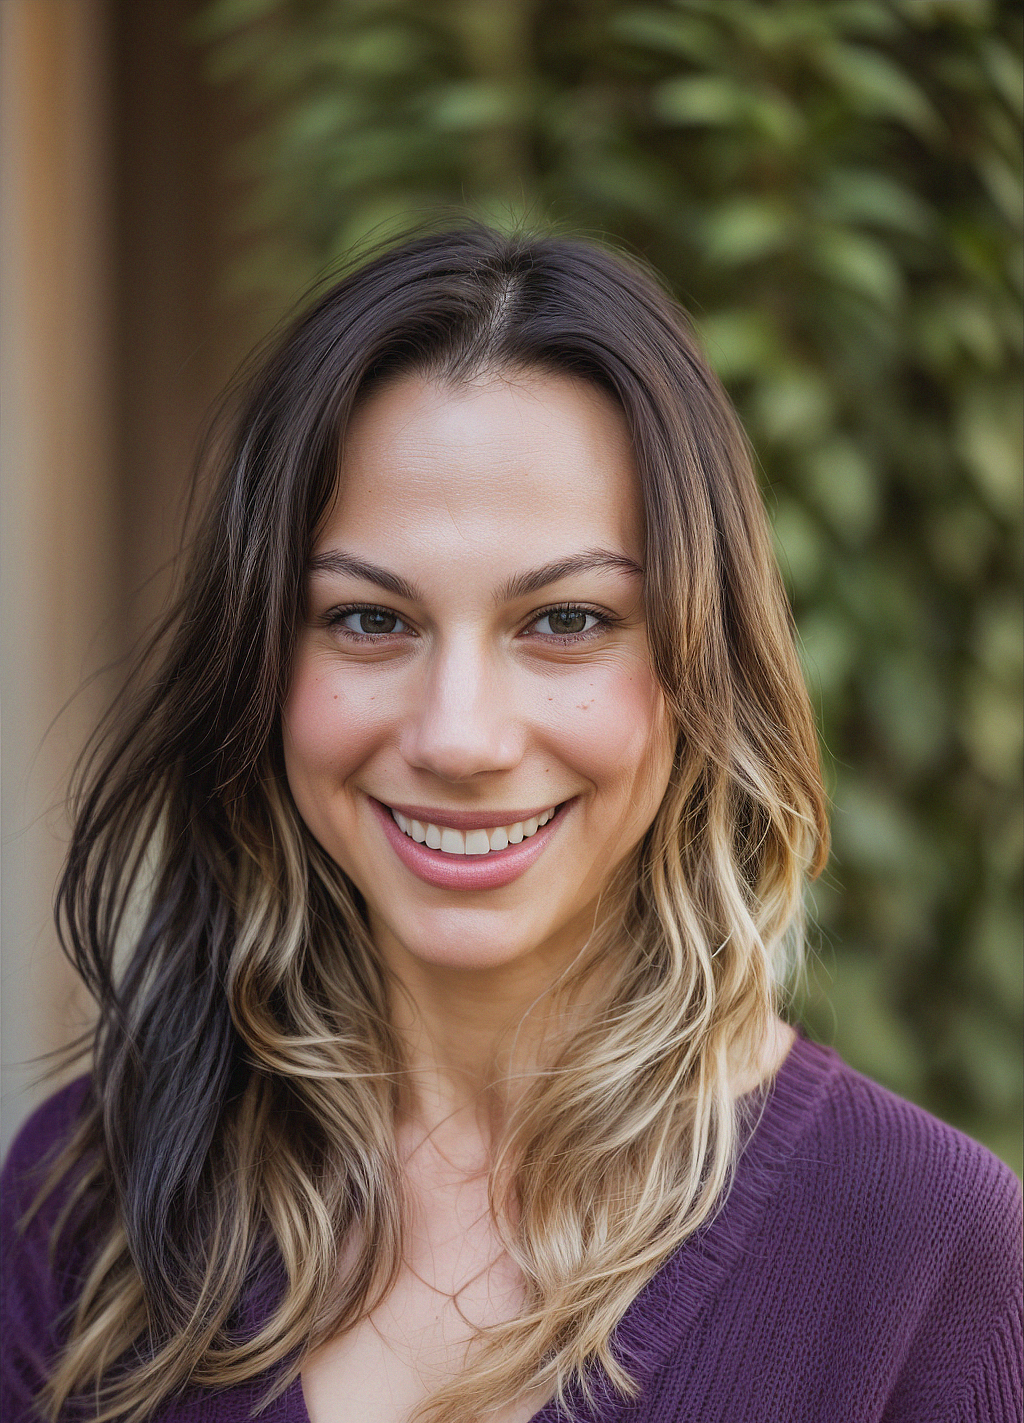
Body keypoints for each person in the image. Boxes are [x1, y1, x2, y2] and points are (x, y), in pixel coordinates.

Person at [1, 225, 1020, 1423]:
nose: (460, 737)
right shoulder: (88, 1205)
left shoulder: (924, 1251)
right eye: (370, 620)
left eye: (569, 621)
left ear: (701, 662)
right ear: (262, 666)